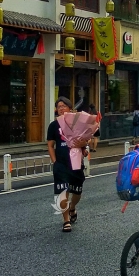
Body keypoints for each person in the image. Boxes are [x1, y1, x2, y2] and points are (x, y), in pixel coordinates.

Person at [47, 97, 89, 233]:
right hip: (61, 165)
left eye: (64, 106)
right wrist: (55, 161)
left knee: (77, 192)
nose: (61, 108)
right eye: (59, 106)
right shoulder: (53, 126)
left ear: (70, 108)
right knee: (62, 192)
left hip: (76, 164)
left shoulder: (77, 123)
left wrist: (83, 146)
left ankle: (72, 207)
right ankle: (66, 220)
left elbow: (85, 140)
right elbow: (50, 145)